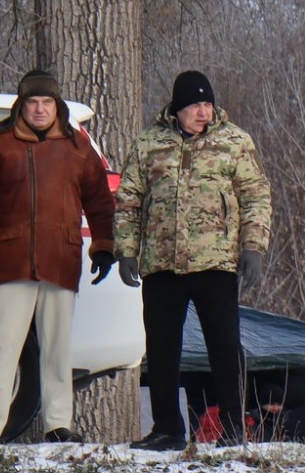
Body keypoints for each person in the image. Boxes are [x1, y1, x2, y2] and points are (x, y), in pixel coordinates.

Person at [115, 70, 272, 450]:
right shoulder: (149, 142)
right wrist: (125, 249)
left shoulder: (234, 141)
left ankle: (235, 427)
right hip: (161, 263)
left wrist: (253, 248)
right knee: (162, 348)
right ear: (178, 109)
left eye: (207, 104)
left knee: (224, 346)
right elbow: (128, 199)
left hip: (215, 261)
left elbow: (256, 195)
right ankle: (168, 428)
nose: (202, 112)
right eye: (194, 106)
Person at [0, 70, 115, 444]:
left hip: (60, 259)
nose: (40, 109)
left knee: (57, 350)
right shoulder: (0, 144)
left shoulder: (78, 147)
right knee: (0, 346)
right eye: (33, 102)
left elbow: (99, 201)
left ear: (56, 106)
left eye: (47, 102)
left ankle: (58, 424)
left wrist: (104, 246)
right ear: (21, 106)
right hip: (10, 261)